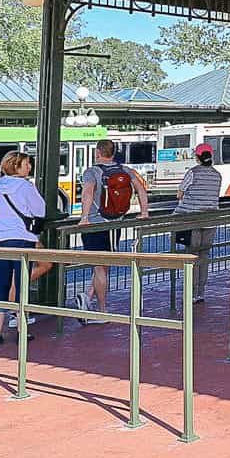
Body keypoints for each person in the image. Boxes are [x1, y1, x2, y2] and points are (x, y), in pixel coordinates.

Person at [77, 138, 148, 321]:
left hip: (95, 223)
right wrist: (144, 212)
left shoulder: (92, 172)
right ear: (113, 153)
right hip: (115, 222)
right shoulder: (125, 170)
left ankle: (102, 312)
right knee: (104, 264)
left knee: (99, 267)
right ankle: (88, 297)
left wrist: (84, 217)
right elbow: (141, 189)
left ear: (97, 153)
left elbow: (87, 193)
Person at [0, 151, 55, 346]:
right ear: (16, 166)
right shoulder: (26, 186)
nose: (29, 167)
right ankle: (21, 329)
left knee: (1, 284)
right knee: (21, 284)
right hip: (22, 239)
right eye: (26, 164)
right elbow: (40, 210)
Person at [172, 143, 222, 304]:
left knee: (191, 255)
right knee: (204, 255)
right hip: (211, 220)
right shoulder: (217, 175)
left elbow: (179, 194)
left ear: (198, 157)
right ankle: (201, 291)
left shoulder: (193, 172)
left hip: (192, 220)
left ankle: (191, 291)